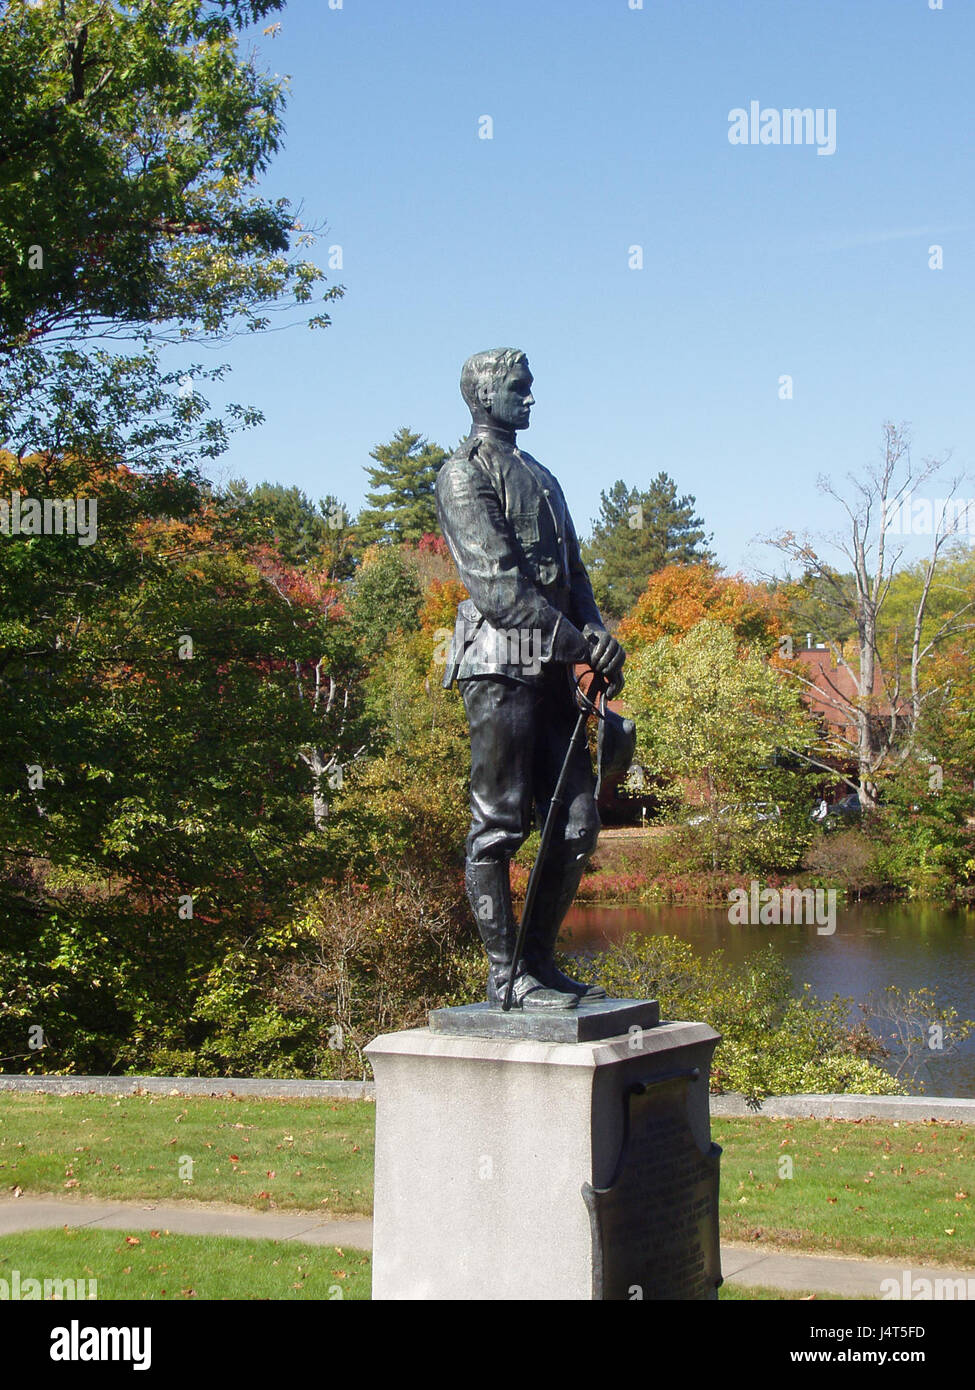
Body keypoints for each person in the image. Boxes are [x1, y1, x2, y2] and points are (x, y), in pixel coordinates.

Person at [435, 348, 625, 1010]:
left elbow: (573, 575)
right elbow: (500, 591)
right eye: (519, 389)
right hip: (498, 661)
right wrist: (579, 647)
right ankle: (503, 976)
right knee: (498, 825)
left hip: (550, 665)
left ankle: (537, 963)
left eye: (530, 388)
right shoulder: (463, 475)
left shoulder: (540, 474)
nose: (530, 399)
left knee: (574, 825)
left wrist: (596, 634)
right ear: (483, 395)